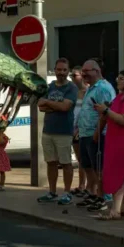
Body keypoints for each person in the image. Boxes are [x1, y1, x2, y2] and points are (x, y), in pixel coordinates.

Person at [93, 70, 124, 220]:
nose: (117, 80)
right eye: (118, 77)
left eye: (121, 78)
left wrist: (106, 110)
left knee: (119, 175)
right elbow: (110, 116)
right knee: (121, 175)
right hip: (115, 141)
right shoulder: (118, 98)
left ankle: (115, 210)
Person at [75, 59, 116, 211]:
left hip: (97, 135)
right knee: (88, 166)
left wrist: (97, 133)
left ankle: (103, 197)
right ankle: (93, 194)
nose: (84, 74)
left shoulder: (102, 88)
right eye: (83, 72)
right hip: (85, 134)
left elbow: (105, 113)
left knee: (99, 168)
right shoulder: (91, 87)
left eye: (87, 71)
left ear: (97, 71)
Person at [37, 58, 78, 205]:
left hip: (64, 132)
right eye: (59, 69)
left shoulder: (71, 88)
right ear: (55, 70)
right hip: (48, 131)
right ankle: (52, 192)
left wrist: (49, 103)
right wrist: (56, 105)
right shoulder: (49, 87)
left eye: (64, 70)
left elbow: (65, 107)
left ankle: (67, 193)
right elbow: (40, 106)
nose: (61, 72)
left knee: (66, 163)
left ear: (68, 71)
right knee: (51, 163)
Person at [71, 66, 89, 197]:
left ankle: (87, 186)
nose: (72, 78)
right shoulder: (73, 91)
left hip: (82, 129)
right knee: (79, 159)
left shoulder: (88, 91)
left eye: (74, 75)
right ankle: (81, 185)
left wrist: (79, 128)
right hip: (72, 128)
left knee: (85, 158)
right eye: (71, 76)